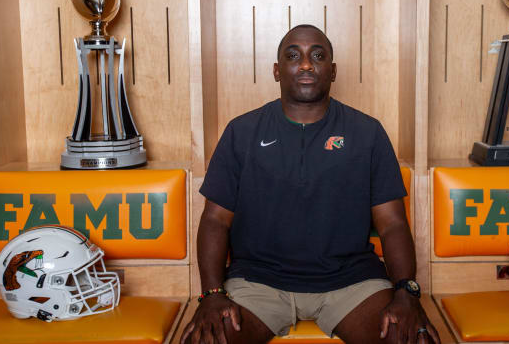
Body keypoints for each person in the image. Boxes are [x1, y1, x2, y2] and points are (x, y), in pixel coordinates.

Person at [181, 24, 440, 344]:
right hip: (258, 282)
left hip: (351, 282)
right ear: (277, 71)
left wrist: (405, 291)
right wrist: (212, 294)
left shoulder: (367, 132)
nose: (305, 64)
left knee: (412, 338)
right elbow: (215, 220)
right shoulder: (242, 132)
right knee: (204, 339)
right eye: (293, 56)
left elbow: (392, 224)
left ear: (332, 71)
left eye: (317, 55)